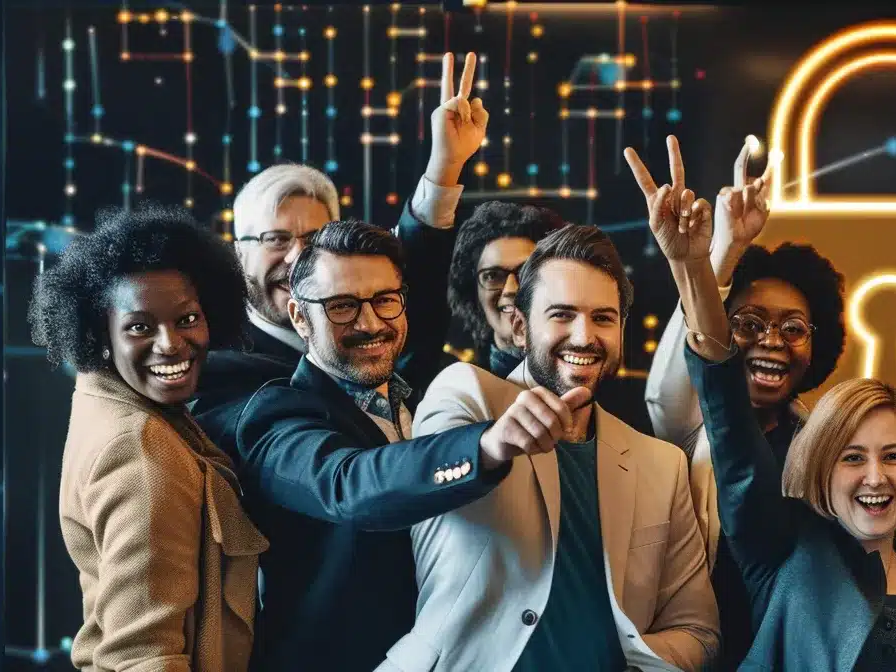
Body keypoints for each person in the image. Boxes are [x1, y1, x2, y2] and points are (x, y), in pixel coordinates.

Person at [655, 136, 896, 672]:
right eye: (852, 457)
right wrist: (705, 263)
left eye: (894, 456)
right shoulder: (780, 547)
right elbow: (722, 412)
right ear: (820, 470)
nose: (875, 475)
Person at [206, 221, 560, 671]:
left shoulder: (428, 394)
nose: (370, 322)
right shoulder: (272, 416)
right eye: (342, 306)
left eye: (384, 300)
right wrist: (485, 447)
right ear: (299, 316)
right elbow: (349, 486)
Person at [388, 222, 719, 672]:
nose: (584, 336)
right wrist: (489, 446)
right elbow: (424, 474)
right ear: (520, 327)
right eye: (562, 314)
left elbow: (698, 632)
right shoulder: (466, 394)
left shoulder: (663, 465)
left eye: (603, 318)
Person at [640, 137, 848, 669]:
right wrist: (722, 250)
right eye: (750, 325)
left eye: (794, 329)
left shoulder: (828, 443)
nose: (772, 342)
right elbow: (680, 376)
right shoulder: (691, 426)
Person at [34, 205, 268, 671]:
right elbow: (142, 656)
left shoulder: (107, 402)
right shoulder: (141, 453)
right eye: (140, 327)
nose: (171, 343)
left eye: (186, 319)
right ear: (103, 335)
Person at [193, 52, 487, 414]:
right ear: (239, 254)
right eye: (275, 239)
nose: (296, 255)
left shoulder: (371, 329)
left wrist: (446, 165)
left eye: (314, 239)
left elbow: (416, 278)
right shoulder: (220, 366)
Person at [446, 200, 564, 377]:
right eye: (492, 276)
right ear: (474, 292)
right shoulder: (459, 388)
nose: (510, 289)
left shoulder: (596, 382)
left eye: (526, 272)